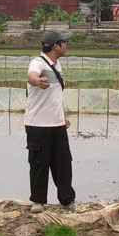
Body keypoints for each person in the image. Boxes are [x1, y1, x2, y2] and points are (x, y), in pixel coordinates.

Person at [26, 30, 75, 208]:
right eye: (65, 42)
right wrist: (37, 81)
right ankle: (38, 201)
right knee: (39, 163)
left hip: (57, 124)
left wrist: (63, 116)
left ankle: (67, 200)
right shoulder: (37, 62)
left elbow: (55, 96)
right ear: (56, 46)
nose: (67, 45)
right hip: (38, 125)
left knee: (63, 163)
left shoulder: (57, 65)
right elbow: (32, 75)